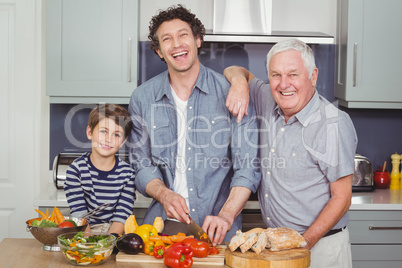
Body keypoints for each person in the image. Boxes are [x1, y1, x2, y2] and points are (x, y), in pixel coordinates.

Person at [128, 5, 261, 245]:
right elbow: (141, 165)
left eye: (183, 35)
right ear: (159, 51)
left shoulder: (232, 93)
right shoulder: (142, 98)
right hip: (161, 232)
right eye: (167, 39)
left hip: (219, 231)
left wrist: (226, 216)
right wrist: (164, 194)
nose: (176, 44)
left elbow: (248, 169)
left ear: (198, 40)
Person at [224, 39, 357, 267]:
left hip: (320, 246)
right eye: (275, 75)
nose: (284, 84)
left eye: (293, 74)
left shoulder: (333, 123)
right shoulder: (268, 97)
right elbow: (235, 70)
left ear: (313, 76)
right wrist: (239, 83)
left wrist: (303, 245)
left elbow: (342, 198)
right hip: (278, 248)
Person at [64, 104, 135, 235]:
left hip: (114, 234)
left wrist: (109, 243)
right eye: (104, 131)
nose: (109, 139)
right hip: (85, 232)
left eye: (117, 135)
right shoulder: (75, 170)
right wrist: (91, 245)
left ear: (123, 142)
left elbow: (121, 217)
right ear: (90, 133)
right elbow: (80, 216)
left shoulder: (128, 174)